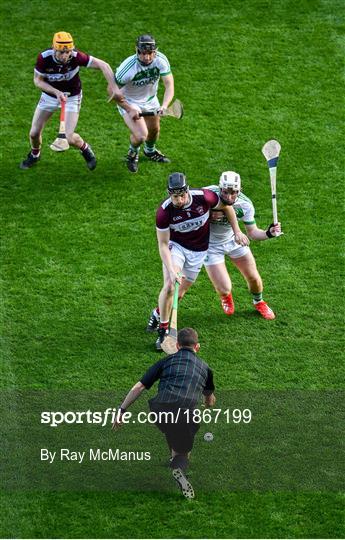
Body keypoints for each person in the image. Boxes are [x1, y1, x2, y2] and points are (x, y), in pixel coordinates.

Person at [146, 172, 249, 349]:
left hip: (198, 251)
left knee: (180, 293)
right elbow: (163, 244)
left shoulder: (204, 197)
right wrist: (171, 269)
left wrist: (237, 231)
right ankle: (163, 332)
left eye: (182, 195)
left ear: (187, 190)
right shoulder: (164, 212)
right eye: (175, 196)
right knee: (171, 285)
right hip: (176, 247)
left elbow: (227, 207)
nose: (179, 200)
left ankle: (156, 313)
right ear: (169, 194)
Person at [113, 327, 216, 499]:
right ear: (197, 347)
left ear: (177, 345)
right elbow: (209, 398)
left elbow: (139, 387)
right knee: (183, 452)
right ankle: (178, 466)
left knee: (172, 428)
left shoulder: (166, 362)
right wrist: (208, 403)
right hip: (186, 414)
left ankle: (174, 461)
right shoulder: (205, 369)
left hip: (160, 408)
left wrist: (121, 409)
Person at [20, 31, 119, 171]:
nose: (65, 56)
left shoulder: (76, 57)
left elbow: (104, 65)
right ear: (54, 48)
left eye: (68, 52)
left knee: (70, 137)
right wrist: (55, 92)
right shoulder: (44, 58)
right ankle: (35, 154)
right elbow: (37, 81)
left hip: (72, 97)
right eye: (61, 52)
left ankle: (85, 149)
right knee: (34, 133)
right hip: (50, 96)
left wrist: (114, 88)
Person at [203, 171, 282, 319]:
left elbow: (252, 233)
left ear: (240, 190)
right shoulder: (206, 195)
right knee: (225, 289)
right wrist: (207, 215)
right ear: (219, 188)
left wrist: (269, 233)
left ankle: (259, 302)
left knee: (253, 277)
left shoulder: (245, 205)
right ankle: (226, 297)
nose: (229, 197)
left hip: (234, 241)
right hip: (210, 246)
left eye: (234, 192)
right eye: (225, 192)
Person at [108, 34, 174, 173]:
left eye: (150, 53)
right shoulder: (127, 68)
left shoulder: (161, 60)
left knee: (154, 130)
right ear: (136, 50)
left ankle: (150, 151)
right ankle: (132, 153)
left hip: (150, 100)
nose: (147, 57)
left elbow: (169, 85)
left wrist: (164, 105)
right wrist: (128, 108)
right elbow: (111, 91)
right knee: (140, 135)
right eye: (143, 53)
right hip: (129, 101)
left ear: (155, 51)